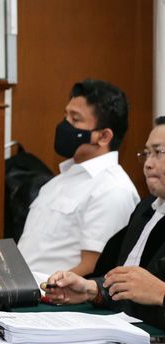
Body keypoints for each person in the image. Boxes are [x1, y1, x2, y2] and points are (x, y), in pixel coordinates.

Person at [43, 117, 165, 328]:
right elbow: (129, 287)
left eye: (159, 152)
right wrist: (91, 290)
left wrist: (161, 293)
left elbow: (150, 291)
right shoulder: (147, 209)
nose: (148, 163)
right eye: (146, 153)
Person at [17, 79, 139, 284]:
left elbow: (94, 267)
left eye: (75, 120)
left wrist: (43, 288)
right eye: (66, 116)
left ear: (103, 136)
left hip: (54, 302)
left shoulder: (113, 189)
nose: (64, 126)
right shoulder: (58, 182)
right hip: (22, 293)